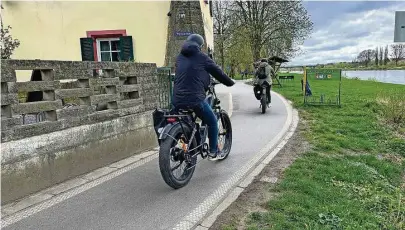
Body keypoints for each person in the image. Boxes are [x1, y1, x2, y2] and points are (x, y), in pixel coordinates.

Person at [172, 34, 235, 160]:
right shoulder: (202, 57)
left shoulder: (179, 57)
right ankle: (213, 152)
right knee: (212, 121)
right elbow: (218, 72)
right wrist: (230, 82)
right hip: (195, 99)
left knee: (188, 121)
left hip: (177, 100)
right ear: (199, 46)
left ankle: (184, 145)